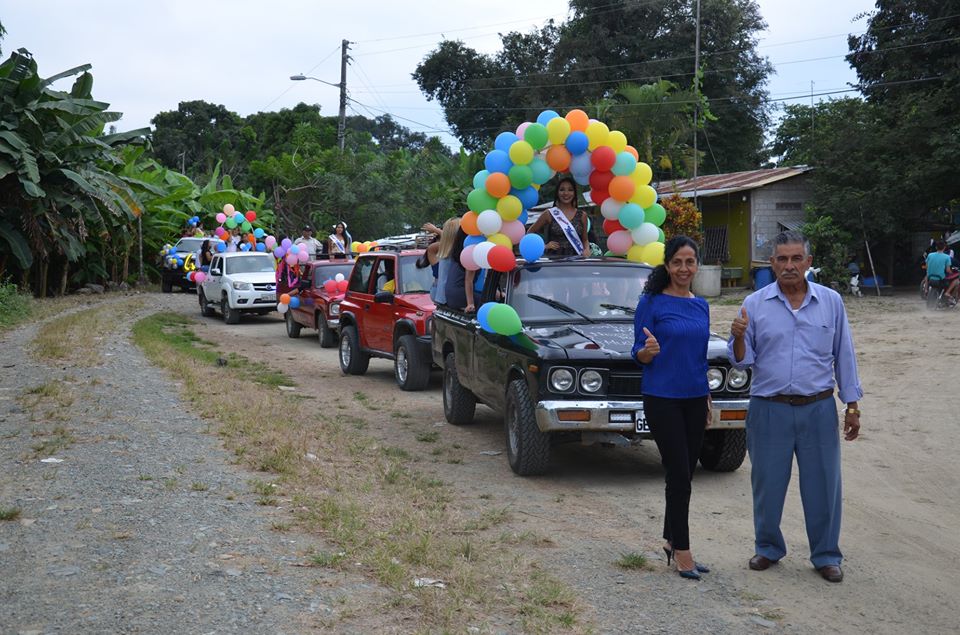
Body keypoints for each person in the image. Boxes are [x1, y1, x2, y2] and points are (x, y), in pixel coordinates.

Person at [728, 230, 862, 584]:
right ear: (772, 264)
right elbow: (742, 361)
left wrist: (852, 405)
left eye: (796, 258)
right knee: (767, 484)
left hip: (818, 408)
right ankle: (768, 547)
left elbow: (844, 354)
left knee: (824, 485)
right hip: (769, 408)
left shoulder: (831, 302)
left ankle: (826, 555)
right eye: (782, 259)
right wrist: (738, 337)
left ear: (808, 262)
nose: (789, 266)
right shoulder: (754, 304)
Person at [632, 236, 712, 581]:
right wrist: (647, 352)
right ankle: (683, 550)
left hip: (695, 397)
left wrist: (706, 395)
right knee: (678, 473)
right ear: (667, 265)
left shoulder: (702, 305)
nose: (683, 268)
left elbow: (699, 356)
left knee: (685, 473)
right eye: (677, 262)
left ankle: (670, 539)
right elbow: (637, 352)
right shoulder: (651, 302)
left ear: (697, 265)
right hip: (662, 397)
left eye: (689, 262)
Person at [525, 176, 590, 258]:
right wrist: (544, 246)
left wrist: (587, 249)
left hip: (576, 260)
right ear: (557, 193)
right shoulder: (549, 213)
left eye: (570, 190)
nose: (566, 193)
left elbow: (585, 239)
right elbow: (529, 233)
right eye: (562, 190)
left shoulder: (582, 215)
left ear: (574, 193)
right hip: (555, 261)